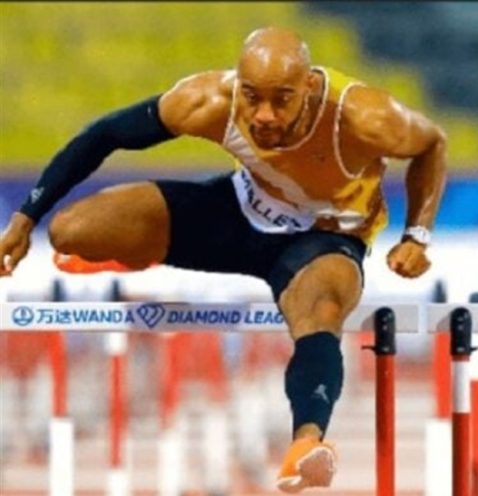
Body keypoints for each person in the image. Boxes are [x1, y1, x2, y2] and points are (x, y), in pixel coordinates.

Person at [0, 27, 447, 492]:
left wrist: (417, 234)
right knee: (71, 231)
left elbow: (432, 144)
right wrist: (26, 218)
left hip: (322, 240)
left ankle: (307, 444)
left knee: (321, 309)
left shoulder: (364, 116)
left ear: (311, 87)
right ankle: (138, 254)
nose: (264, 115)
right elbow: (106, 134)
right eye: (252, 97)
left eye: (282, 100)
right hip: (236, 216)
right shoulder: (209, 99)